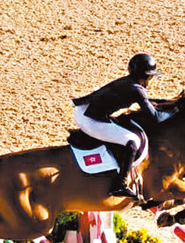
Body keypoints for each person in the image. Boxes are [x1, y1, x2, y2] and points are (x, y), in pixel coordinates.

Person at [73, 53, 172, 199]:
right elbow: (155, 117)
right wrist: (175, 110)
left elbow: (146, 101)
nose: (152, 81)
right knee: (132, 142)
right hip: (88, 119)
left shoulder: (131, 82)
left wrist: (167, 102)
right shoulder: (136, 88)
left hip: (85, 111)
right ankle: (119, 185)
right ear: (145, 77)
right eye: (152, 77)